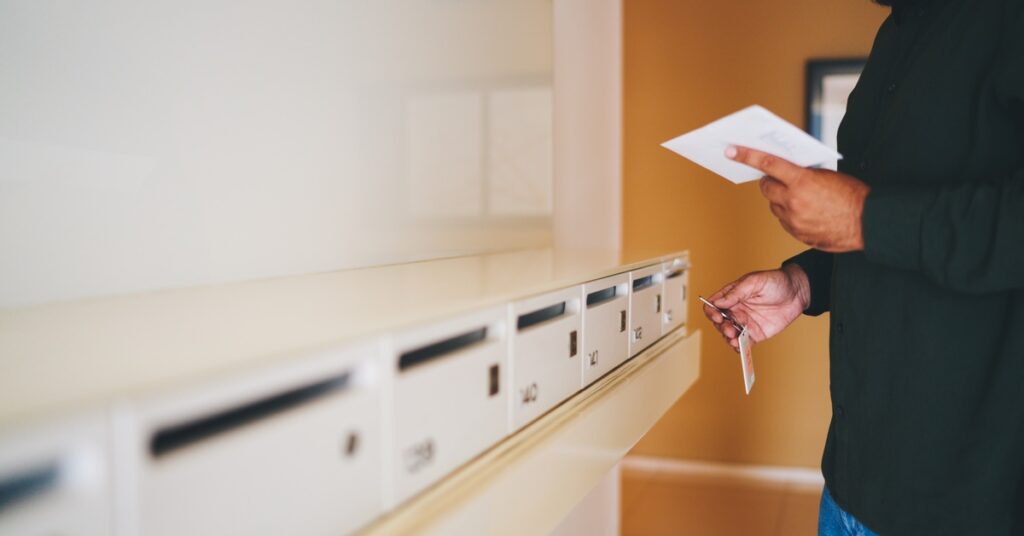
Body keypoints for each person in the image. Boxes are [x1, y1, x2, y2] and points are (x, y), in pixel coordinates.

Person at [701, 0, 1024, 534]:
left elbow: (882, 221)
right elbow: (887, 235)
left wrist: (861, 216)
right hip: (848, 486)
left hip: (963, 505)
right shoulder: (894, 36)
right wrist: (802, 283)